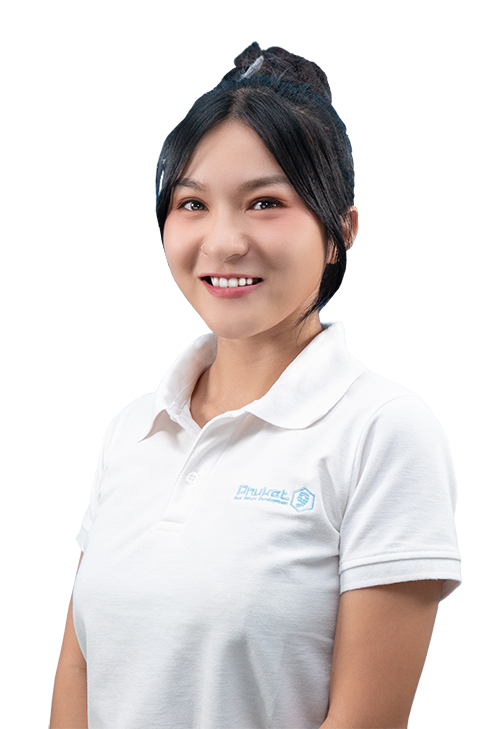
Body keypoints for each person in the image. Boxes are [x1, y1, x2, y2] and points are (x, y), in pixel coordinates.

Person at [50, 42, 462, 729]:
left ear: (340, 231)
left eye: (265, 202)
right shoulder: (132, 429)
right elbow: (80, 671)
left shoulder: (384, 430)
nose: (223, 242)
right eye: (192, 204)